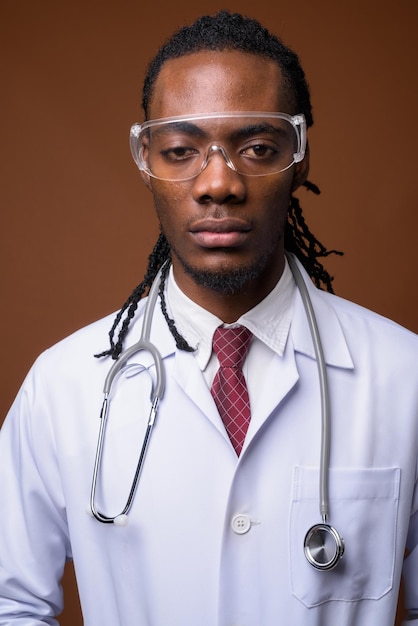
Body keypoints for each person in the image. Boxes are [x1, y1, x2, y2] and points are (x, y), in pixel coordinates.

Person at [0, 10, 417, 626]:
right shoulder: (63, 385)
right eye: (180, 150)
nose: (218, 183)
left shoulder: (405, 376)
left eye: (256, 147)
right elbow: (12, 606)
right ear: (147, 161)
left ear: (300, 158)